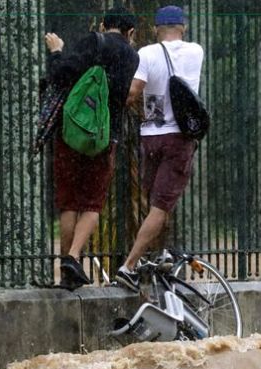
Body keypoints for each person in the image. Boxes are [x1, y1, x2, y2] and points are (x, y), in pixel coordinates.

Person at [44, 7, 139, 290]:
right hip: (104, 138)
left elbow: (60, 75)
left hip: (71, 134)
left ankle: (67, 268)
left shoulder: (93, 42)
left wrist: (57, 51)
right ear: (131, 33)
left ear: (102, 25)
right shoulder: (132, 57)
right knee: (92, 203)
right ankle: (73, 257)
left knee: (69, 202)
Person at [115, 5, 204, 293]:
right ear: (183, 28)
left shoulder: (147, 53)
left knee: (157, 201)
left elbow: (133, 93)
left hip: (151, 137)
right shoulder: (196, 51)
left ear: (155, 29)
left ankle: (161, 254)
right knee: (162, 205)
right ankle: (129, 266)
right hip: (179, 138)